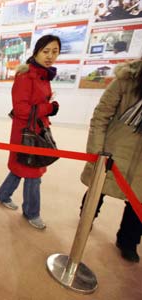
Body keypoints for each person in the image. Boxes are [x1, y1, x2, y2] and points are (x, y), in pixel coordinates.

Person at [0, 35, 61, 230]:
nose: (50, 56)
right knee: (33, 172)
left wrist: (46, 107)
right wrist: (49, 108)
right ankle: (32, 212)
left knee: (21, 165)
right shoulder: (26, 75)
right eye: (45, 51)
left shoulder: (43, 74)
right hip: (26, 132)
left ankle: (2, 195)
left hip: (36, 129)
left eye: (54, 51)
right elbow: (22, 109)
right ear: (36, 52)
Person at [80, 58, 142, 263]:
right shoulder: (127, 80)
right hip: (115, 150)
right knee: (98, 188)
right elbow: (101, 115)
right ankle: (86, 218)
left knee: (138, 199)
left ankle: (129, 241)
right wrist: (97, 151)